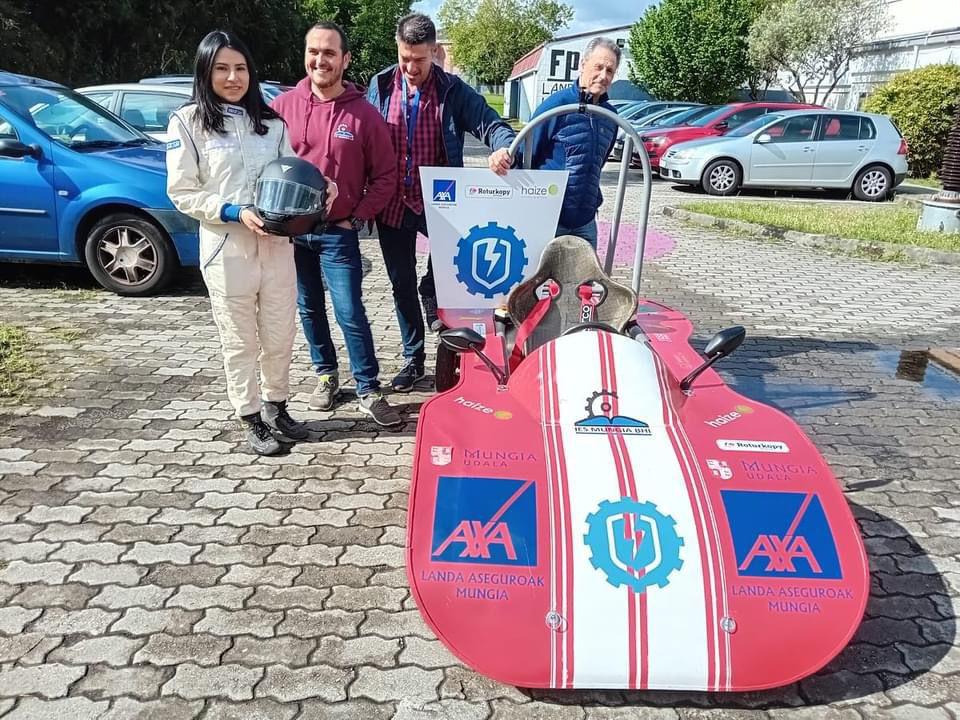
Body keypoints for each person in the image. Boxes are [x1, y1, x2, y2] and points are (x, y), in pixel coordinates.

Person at [165, 30, 337, 455]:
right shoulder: (187, 123)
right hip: (229, 249)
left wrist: (319, 189)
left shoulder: (271, 123)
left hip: (277, 247)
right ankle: (251, 416)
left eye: (240, 68)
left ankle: (277, 406)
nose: (232, 77)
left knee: (280, 335)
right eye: (221, 68)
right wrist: (233, 211)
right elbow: (181, 191)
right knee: (239, 341)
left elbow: (285, 178)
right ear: (205, 72)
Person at [367, 12, 515, 392]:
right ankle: (412, 359)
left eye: (420, 59)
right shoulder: (381, 86)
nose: (411, 67)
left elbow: (493, 124)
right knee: (400, 284)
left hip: (443, 205)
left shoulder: (453, 91)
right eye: (405, 58)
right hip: (394, 204)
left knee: (447, 281)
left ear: (435, 51)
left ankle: (450, 351)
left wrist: (501, 150)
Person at [271, 22, 402, 427]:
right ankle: (325, 375)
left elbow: (386, 175)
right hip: (291, 235)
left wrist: (358, 218)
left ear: (344, 59)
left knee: (349, 311)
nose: (320, 60)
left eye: (329, 53)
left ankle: (368, 388)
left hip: (336, 233)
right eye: (313, 51)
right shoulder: (282, 108)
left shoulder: (364, 114)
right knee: (308, 308)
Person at [527, 36, 621, 249]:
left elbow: (598, 163)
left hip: (585, 219)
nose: (603, 76)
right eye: (598, 67)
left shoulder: (610, 117)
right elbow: (525, 156)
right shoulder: (556, 105)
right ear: (582, 64)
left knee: (583, 281)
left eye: (610, 71)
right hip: (550, 216)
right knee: (539, 280)